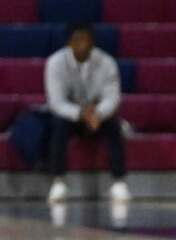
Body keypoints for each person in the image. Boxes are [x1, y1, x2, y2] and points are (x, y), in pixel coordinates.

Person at [43, 23, 132, 207]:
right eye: (77, 40)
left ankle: (119, 182)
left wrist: (97, 114)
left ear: (93, 42)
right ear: (69, 42)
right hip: (71, 114)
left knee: (113, 125)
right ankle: (58, 181)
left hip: (97, 115)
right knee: (58, 125)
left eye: (86, 40)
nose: (82, 44)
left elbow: (112, 97)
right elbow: (56, 101)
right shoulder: (55, 62)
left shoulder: (106, 62)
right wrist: (80, 113)